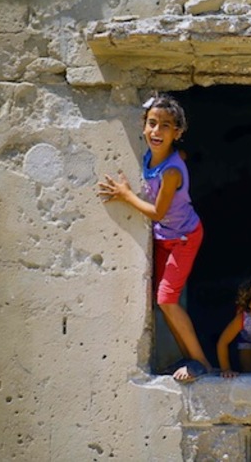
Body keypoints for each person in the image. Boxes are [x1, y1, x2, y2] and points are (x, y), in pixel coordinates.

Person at [97, 93, 213, 383]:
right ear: (143, 125)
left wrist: (125, 195)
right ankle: (188, 355)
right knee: (162, 301)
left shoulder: (171, 170)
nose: (156, 131)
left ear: (178, 133)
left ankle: (201, 362)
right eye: (152, 123)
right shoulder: (151, 155)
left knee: (167, 299)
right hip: (166, 237)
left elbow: (158, 212)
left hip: (184, 236)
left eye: (165, 126)